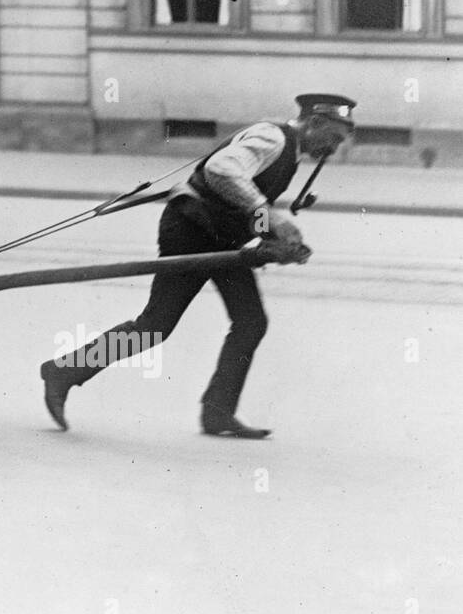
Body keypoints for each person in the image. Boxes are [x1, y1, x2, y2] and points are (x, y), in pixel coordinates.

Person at [39, 93, 357, 439]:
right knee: (155, 325)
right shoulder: (272, 137)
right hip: (190, 229)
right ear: (315, 123)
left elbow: (246, 205)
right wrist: (272, 220)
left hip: (221, 238)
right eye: (335, 138)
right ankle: (63, 371)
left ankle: (218, 414)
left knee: (251, 322)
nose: (336, 148)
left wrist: (277, 245)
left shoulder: (291, 152)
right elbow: (221, 172)